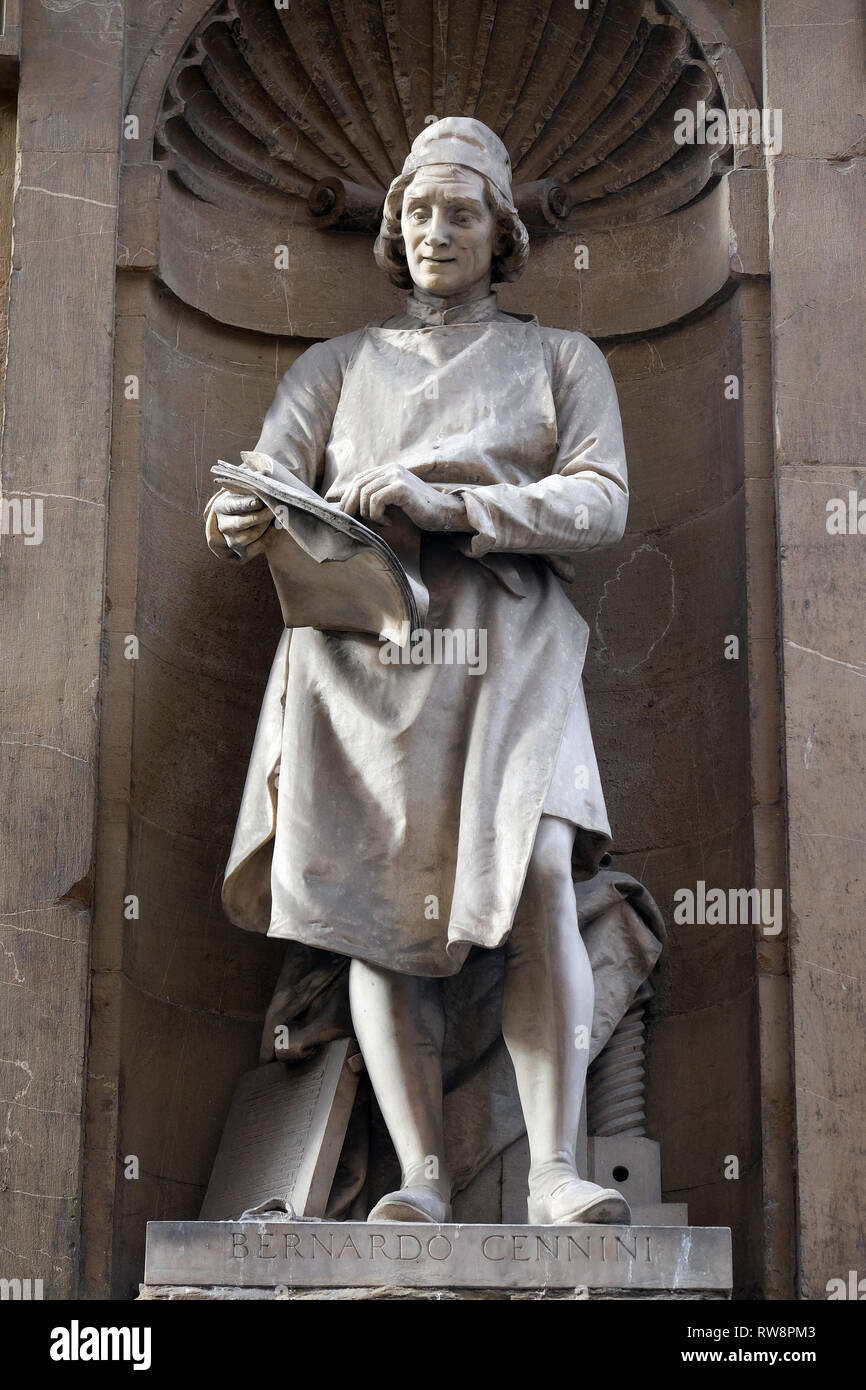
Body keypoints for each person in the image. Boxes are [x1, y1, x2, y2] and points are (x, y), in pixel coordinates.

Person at [206, 118, 631, 1226]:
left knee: (540, 873)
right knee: (367, 906)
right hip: (360, 656)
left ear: (501, 235)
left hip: (509, 639)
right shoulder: (334, 367)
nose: (434, 229)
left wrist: (454, 502)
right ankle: (420, 1180)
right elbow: (255, 482)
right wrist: (239, 509)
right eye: (416, 211)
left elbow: (600, 501)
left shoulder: (557, 360)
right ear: (393, 227)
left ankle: (551, 1169)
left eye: (459, 212)